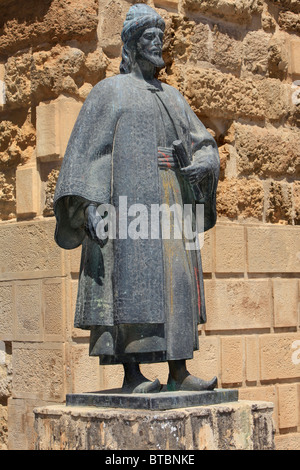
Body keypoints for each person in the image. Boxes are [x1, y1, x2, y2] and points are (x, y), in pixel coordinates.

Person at [53, 4, 220, 393]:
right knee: (128, 283)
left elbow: (205, 143)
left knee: (177, 283)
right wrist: (90, 206)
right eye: (149, 37)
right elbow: (86, 155)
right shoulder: (109, 92)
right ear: (131, 44)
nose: (157, 42)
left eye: (160, 37)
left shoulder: (173, 97)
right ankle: (132, 376)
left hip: (172, 201)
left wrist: (204, 163)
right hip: (127, 205)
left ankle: (179, 372)